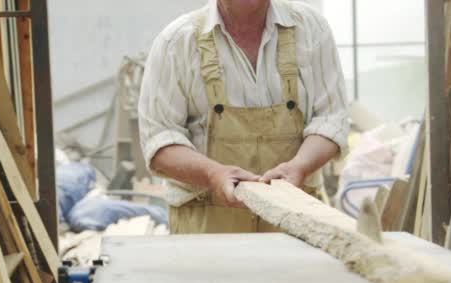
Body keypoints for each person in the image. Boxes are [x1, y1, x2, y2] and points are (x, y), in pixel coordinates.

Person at [139, 0, 349, 234]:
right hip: (208, 234)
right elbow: (158, 139)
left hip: (295, 225)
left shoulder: (311, 29)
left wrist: (299, 166)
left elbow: (331, 118)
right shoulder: (176, 42)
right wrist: (212, 174)